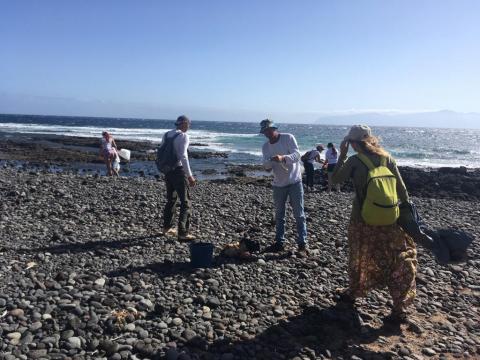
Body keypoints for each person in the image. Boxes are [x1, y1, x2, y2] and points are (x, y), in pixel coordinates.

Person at [331, 125, 417, 323]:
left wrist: (342, 155)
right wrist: (406, 218)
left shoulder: (354, 161)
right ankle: (399, 305)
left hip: (362, 220)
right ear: (370, 139)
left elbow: (335, 180)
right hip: (390, 220)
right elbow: (403, 191)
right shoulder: (387, 158)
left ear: (352, 143)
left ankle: (354, 292)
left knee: (360, 256)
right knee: (398, 258)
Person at [260, 119, 307, 254]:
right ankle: (279, 242)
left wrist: (283, 158)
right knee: (279, 215)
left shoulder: (288, 138)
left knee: (299, 214)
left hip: (294, 182)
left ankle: (302, 244)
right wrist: (269, 163)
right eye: (265, 131)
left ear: (275, 129)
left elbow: (297, 155)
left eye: (270, 130)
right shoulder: (265, 147)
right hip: (278, 184)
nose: (268, 133)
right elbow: (267, 167)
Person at [161, 115, 196, 241]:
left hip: (167, 171)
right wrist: (190, 175)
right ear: (184, 124)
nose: (189, 126)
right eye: (189, 124)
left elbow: (162, 151)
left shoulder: (166, 134)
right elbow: (183, 156)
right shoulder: (183, 136)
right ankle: (183, 233)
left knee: (171, 200)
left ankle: (167, 227)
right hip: (178, 171)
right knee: (186, 202)